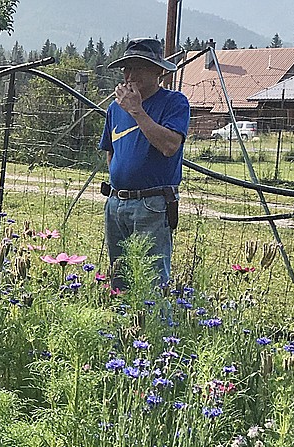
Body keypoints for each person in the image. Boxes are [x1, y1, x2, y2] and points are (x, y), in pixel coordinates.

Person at [100, 37, 190, 290]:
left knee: (150, 281)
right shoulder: (114, 109)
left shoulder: (174, 103)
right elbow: (110, 152)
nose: (130, 75)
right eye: (126, 68)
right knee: (120, 279)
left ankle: (155, 328)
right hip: (117, 203)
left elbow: (170, 146)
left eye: (139, 67)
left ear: (159, 71)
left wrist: (137, 111)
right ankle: (122, 328)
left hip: (153, 204)